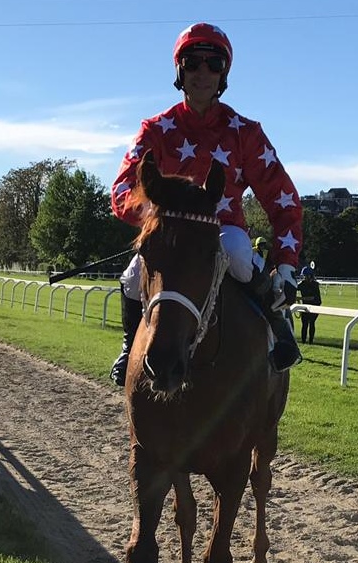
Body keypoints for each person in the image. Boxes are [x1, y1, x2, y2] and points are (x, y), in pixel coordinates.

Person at [108, 22, 304, 386]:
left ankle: (279, 330)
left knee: (241, 257)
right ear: (180, 71)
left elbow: (284, 200)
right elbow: (122, 189)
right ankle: (127, 346)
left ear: (224, 73)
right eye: (193, 63)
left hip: (223, 228)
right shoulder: (155, 129)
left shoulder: (245, 132)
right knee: (133, 274)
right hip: (169, 227)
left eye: (213, 64)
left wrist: (288, 266)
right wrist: (157, 215)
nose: (203, 73)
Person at [297, 266, 322, 344]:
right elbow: (294, 288)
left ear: (310, 275)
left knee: (311, 322)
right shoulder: (302, 284)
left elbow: (312, 298)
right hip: (305, 306)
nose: (304, 277)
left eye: (305, 276)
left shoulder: (315, 285)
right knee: (304, 323)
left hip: (315, 306)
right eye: (303, 276)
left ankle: (311, 341)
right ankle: (303, 341)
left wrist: (299, 298)